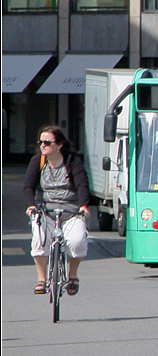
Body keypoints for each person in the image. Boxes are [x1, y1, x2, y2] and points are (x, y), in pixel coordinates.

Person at [23, 126, 90, 296]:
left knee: (77, 241)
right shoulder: (37, 161)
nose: (43, 146)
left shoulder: (72, 161)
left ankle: (73, 275)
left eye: (47, 142)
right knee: (39, 239)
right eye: (40, 142)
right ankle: (42, 278)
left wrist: (83, 206)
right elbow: (28, 186)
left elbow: (82, 184)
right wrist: (31, 205)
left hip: (71, 210)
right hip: (46, 211)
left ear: (59, 145)